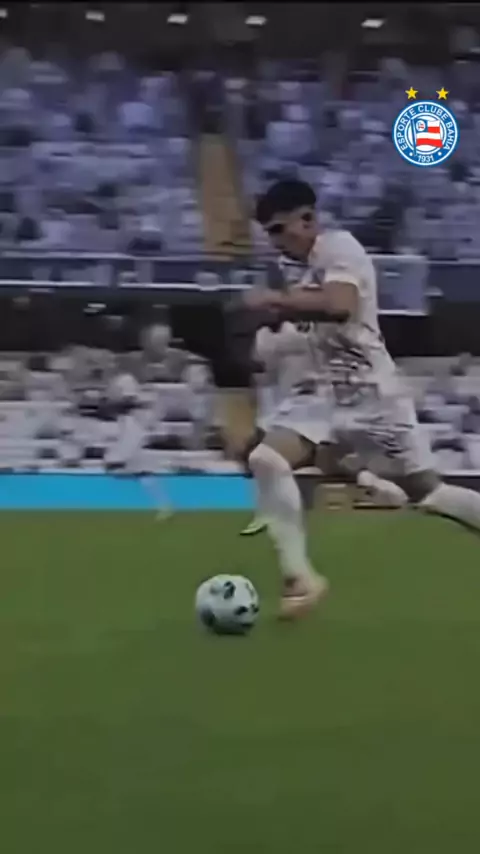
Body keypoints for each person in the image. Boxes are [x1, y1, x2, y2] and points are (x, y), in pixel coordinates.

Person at [238, 179, 480, 619]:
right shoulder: (300, 268)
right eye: (268, 233)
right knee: (265, 459)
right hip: (325, 394)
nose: (274, 242)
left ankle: (370, 480)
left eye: (279, 230)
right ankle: (301, 579)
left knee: (429, 494)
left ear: (307, 219)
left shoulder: (339, 249)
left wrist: (276, 301)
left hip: (373, 395)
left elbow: (340, 306)